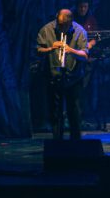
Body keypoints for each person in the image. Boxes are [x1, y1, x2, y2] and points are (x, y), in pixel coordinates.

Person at [35, 9, 89, 139]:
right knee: (54, 112)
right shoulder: (46, 29)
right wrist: (51, 48)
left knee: (74, 112)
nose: (62, 28)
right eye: (60, 25)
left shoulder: (80, 31)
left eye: (65, 25)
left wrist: (71, 50)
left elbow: (85, 55)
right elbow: (37, 51)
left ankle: (76, 143)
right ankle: (57, 141)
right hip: (53, 77)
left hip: (73, 78)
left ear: (71, 22)